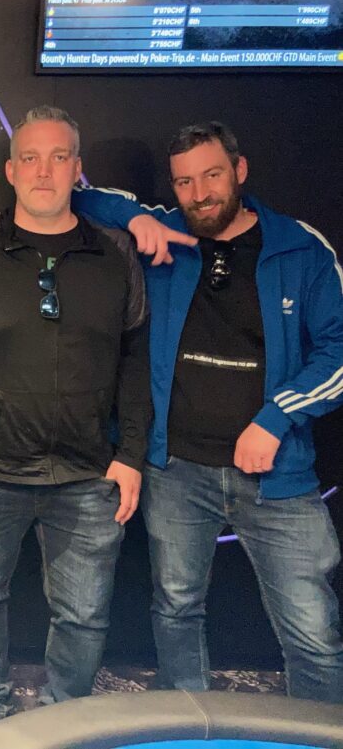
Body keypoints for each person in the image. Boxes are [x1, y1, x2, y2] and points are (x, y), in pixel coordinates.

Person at [73, 122, 343, 703]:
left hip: (277, 477)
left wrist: (276, 419)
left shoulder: (299, 248)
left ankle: (319, 735)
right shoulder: (167, 231)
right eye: (184, 182)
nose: (200, 194)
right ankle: (186, 722)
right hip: (175, 469)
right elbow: (77, 197)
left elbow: (338, 351)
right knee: (175, 607)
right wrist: (136, 218)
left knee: (313, 631)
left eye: (212, 175)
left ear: (239, 171)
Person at [0, 105, 151, 720]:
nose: (43, 171)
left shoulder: (114, 253)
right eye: (30, 157)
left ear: (78, 169)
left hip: (89, 475)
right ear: (10, 170)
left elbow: (136, 358)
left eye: (58, 157)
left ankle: (65, 719)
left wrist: (131, 454)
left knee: (84, 614)